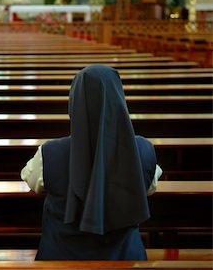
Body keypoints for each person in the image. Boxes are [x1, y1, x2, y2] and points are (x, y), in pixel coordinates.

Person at [21, 65, 163, 261]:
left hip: (61, 261)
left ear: (74, 102)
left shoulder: (50, 153)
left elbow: (31, 179)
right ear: (119, 100)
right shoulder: (144, 150)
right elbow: (149, 186)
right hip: (126, 260)